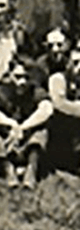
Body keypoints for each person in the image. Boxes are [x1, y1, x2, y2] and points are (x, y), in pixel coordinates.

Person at [0, 57, 52, 188]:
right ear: (9, 76)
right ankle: (9, 170)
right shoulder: (0, 91)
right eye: (18, 77)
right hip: (7, 136)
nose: (22, 82)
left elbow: (47, 109)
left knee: (41, 132)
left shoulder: (35, 91)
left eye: (26, 77)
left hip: (27, 135)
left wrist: (23, 127)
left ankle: (31, 172)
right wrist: (11, 124)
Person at [47, 46, 80, 174]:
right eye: (76, 62)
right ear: (68, 64)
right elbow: (59, 104)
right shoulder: (58, 79)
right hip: (61, 131)